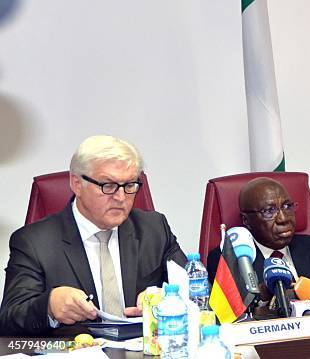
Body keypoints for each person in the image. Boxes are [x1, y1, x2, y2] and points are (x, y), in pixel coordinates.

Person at [0, 135, 187, 336]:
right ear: (77, 184)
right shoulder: (34, 242)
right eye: (108, 185)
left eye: (130, 185)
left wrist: (169, 299)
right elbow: (9, 319)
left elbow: (197, 289)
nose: (121, 197)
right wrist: (49, 306)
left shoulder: (154, 228)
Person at [207, 177, 310, 297]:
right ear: (246, 220)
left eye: (287, 206)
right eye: (269, 211)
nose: (283, 218)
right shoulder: (228, 260)